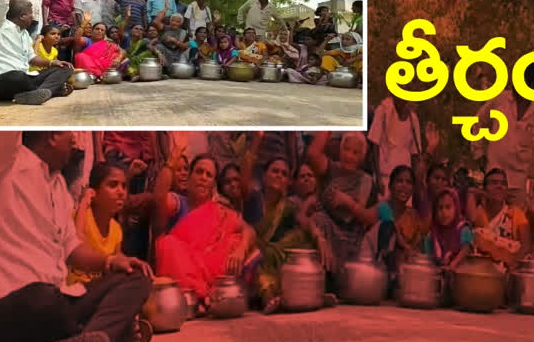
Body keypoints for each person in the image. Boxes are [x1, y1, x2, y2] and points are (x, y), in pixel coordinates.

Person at [0, 132, 154, 342]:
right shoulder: (2, 166)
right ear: (51, 137)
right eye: (68, 132)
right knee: (44, 300)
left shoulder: (59, 186)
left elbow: (72, 249)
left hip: (54, 307)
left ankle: (89, 341)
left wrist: (110, 261)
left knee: (137, 278)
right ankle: (109, 334)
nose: (75, 140)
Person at [154, 152, 257, 306]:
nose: (203, 177)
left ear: (213, 185)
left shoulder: (220, 210)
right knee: (167, 244)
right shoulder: (178, 202)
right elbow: (159, 198)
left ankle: (210, 296)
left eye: (209, 175)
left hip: (211, 272)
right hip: (184, 271)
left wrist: (241, 249)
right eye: (199, 172)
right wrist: (171, 163)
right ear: (189, 178)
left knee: (239, 242)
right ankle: (202, 296)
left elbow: (249, 230)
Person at [470, 62, 534, 207]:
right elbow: (477, 122)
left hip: (518, 183)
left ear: (533, 86)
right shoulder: (500, 100)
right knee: (490, 225)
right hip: (494, 177)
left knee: (518, 225)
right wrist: (478, 154)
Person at [0, 0, 74, 105]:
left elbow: (32, 58)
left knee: (65, 69)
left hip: (23, 80)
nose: (33, 17)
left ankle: (41, 92)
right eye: (30, 14)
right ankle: (51, 90)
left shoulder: (25, 34)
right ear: (22, 16)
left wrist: (52, 62)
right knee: (17, 76)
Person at [254, 158, 334, 314]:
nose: (279, 176)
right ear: (264, 176)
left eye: (284, 174)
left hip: (273, 257)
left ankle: (313, 291)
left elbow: (303, 220)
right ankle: (268, 296)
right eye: (275, 171)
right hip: (252, 259)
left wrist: (319, 237)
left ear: (288, 182)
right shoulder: (253, 198)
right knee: (260, 256)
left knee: (304, 238)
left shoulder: (288, 206)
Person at [307, 132, 378, 282]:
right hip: (324, 234)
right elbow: (313, 154)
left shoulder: (366, 181)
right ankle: (321, 281)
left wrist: (348, 202)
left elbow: (371, 218)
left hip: (351, 241)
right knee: (318, 219)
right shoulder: (330, 168)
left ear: (361, 158)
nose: (349, 156)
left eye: (355, 152)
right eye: (346, 149)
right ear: (340, 150)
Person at [360, 166, 424, 289]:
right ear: (390, 186)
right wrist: (406, 248)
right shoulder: (384, 207)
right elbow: (393, 230)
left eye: (409, 182)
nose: (404, 185)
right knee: (388, 228)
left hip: (401, 265)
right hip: (373, 263)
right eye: (399, 181)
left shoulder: (412, 215)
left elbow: (417, 244)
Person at [68, 163, 128, 285]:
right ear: (93, 192)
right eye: (113, 185)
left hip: (98, 292)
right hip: (72, 292)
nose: (121, 192)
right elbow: (79, 245)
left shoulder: (116, 229)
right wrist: (84, 202)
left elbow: (116, 264)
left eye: (124, 186)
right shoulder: (79, 215)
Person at [465, 168, 532, 269]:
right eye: (494, 183)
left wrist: (511, 261)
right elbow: (470, 235)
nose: (499, 186)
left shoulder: (516, 213)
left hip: (508, 270)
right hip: (480, 270)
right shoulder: (478, 212)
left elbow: (526, 246)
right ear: (485, 189)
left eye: (503, 184)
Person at [368, 96, 422, 198]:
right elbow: (375, 145)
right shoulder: (383, 111)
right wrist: (378, 178)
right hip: (384, 178)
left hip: (405, 182)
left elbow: (415, 154)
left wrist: (415, 184)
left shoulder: (413, 119)